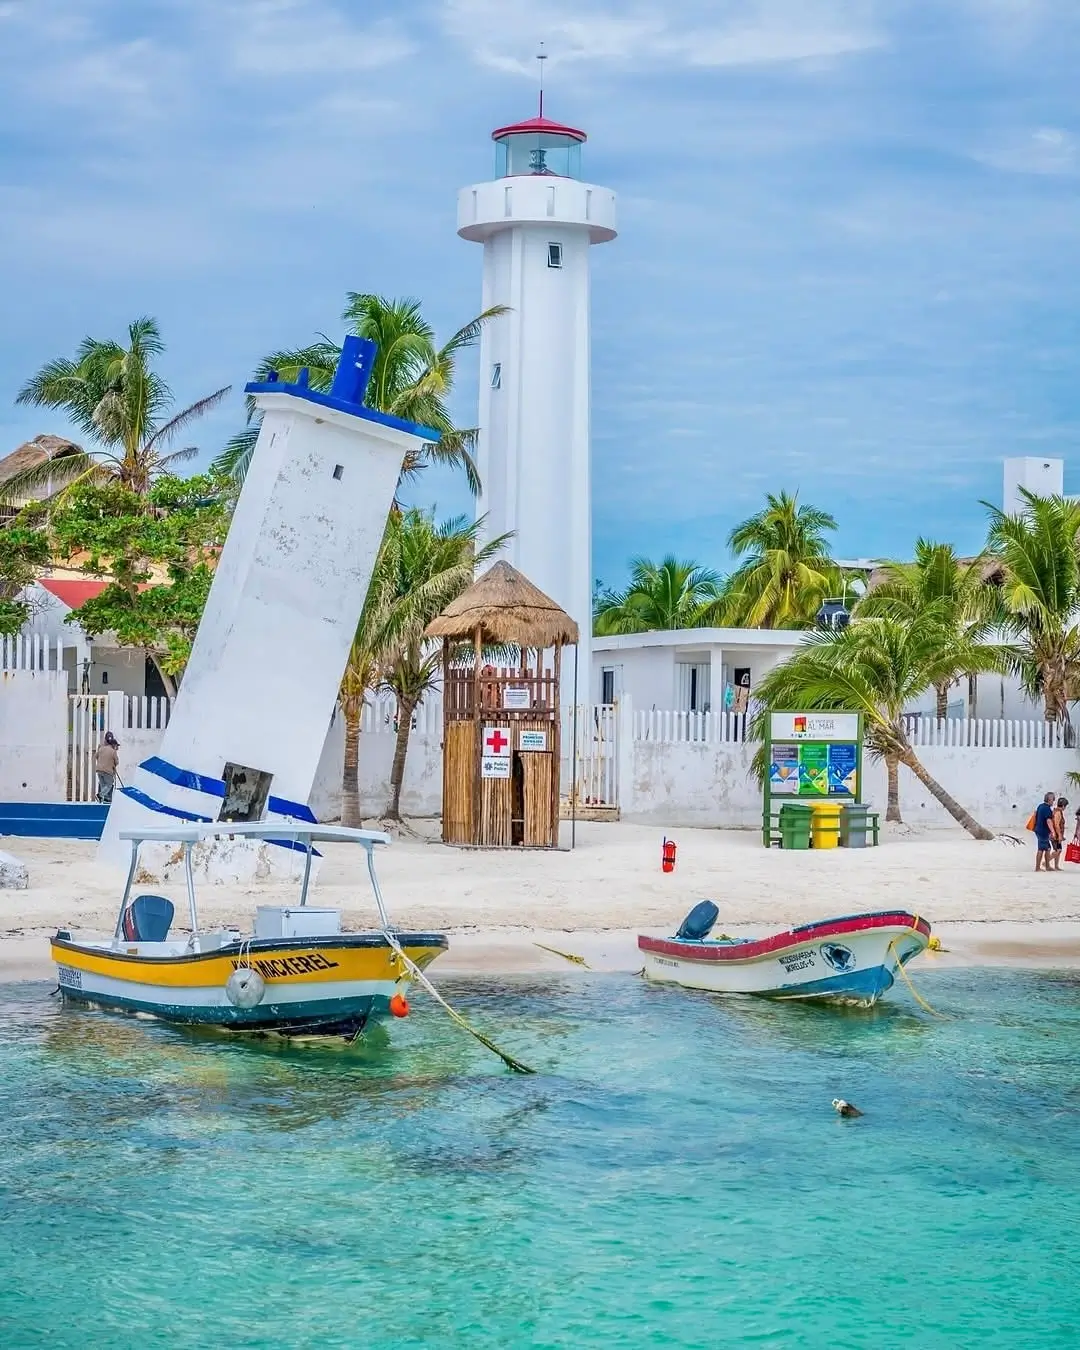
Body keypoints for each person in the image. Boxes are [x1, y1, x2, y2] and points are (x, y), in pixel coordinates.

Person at [1033, 791, 1056, 872]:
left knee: (1048, 848)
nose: (1053, 801)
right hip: (1043, 831)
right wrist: (1053, 831)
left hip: (1038, 829)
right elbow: (1049, 821)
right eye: (1053, 799)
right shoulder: (1047, 809)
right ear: (1049, 800)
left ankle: (1047, 866)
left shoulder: (1040, 806)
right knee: (1041, 849)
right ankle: (1037, 868)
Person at [95, 732, 120, 804]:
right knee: (109, 784)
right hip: (108, 771)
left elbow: (96, 756)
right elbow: (117, 762)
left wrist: (102, 761)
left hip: (99, 769)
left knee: (103, 785)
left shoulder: (101, 747)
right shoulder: (113, 751)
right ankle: (100, 796)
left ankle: (104, 799)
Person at [1051, 797, 1070, 871]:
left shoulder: (1057, 811)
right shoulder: (1058, 813)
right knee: (1057, 850)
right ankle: (1045, 862)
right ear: (1063, 806)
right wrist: (1060, 835)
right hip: (1056, 834)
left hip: (1057, 834)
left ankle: (1056, 866)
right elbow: (1056, 825)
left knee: (1058, 849)